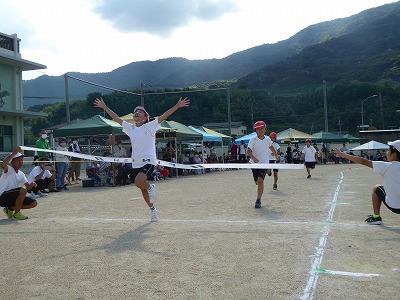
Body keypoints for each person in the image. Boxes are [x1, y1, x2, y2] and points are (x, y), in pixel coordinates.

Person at [94, 96, 190, 222]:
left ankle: (151, 188)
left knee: (139, 182)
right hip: (136, 163)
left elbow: (164, 115)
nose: (137, 113)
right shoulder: (131, 128)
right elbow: (116, 118)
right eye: (135, 112)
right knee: (142, 189)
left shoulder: (150, 126)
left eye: (140, 111)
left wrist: (177, 106)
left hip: (148, 161)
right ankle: (152, 209)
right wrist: (104, 107)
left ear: (145, 116)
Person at [334, 140, 400, 225]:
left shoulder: (386, 166)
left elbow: (363, 161)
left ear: (394, 154)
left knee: (376, 188)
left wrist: (343, 155)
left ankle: (376, 217)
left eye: (388, 150)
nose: (386, 152)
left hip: (394, 206)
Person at [247, 121, 279, 208]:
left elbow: (271, 146)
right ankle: (267, 172)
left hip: (264, 163)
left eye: (262, 128)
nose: (260, 130)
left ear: (265, 129)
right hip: (254, 164)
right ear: (255, 130)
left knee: (260, 181)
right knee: (257, 182)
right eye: (258, 128)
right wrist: (253, 158)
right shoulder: (253, 140)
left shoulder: (268, 139)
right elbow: (248, 151)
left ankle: (258, 200)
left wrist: (276, 155)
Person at [0, 146, 38, 220]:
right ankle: (17, 213)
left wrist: (32, 184)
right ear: (12, 161)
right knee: (23, 189)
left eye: (21, 161)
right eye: (18, 161)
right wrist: (15, 152)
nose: (20, 162)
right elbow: (3, 164)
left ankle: (10, 209)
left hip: (12, 197)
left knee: (34, 203)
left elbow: (28, 187)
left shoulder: (21, 174)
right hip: (2, 197)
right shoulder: (8, 170)